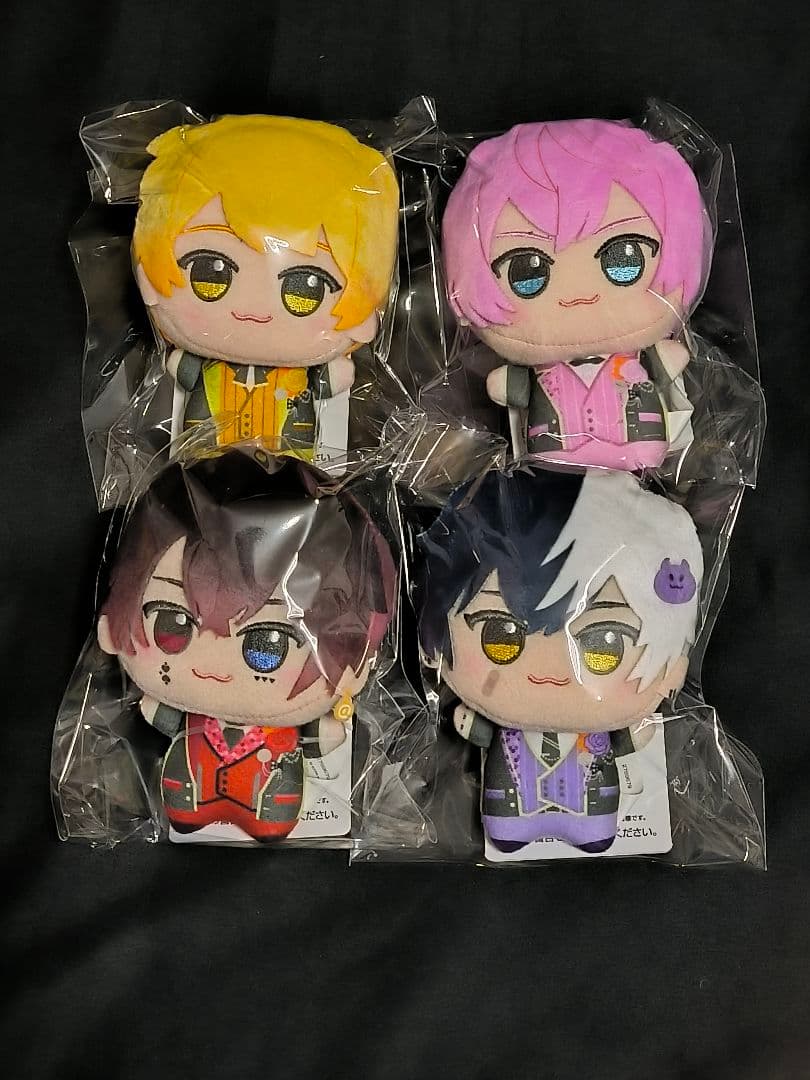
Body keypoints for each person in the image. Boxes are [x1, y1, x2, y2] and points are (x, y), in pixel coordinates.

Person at [97, 451, 397, 841]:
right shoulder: (190, 719)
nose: (212, 666)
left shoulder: (285, 727)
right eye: (173, 625)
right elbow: (160, 716)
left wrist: (324, 732)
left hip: (269, 793)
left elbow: (319, 738)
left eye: (267, 645)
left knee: (272, 808)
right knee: (185, 803)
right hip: (191, 786)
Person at [416, 466, 703, 853]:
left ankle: (589, 828)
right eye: (501, 637)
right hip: (513, 797)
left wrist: (632, 733)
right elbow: (478, 731)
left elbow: (625, 739)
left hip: (589, 797)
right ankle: (514, 827)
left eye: (604, 647)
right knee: (507, 821)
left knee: (593, 819)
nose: (551, 671)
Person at [442, 119, 711, 469]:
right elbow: (505, 386)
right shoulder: (538, 372)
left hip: (638, 439)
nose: (579, 295)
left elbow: (668, 360)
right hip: (555, 451)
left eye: (623, 259)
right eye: (528, 273)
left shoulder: (639, 358)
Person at [133, 114, 399, 455]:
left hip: (289, 460)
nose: (254, 308)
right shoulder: (205, 367)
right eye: (210, 274)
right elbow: (180, 367)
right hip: (207, 455)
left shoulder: (302, 373)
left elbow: (329, 382)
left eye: (306, 289)